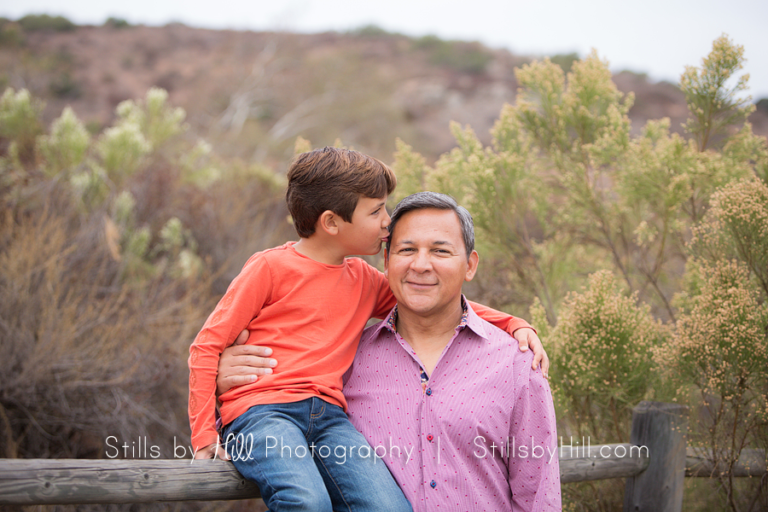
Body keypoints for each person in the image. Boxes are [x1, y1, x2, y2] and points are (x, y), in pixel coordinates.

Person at [189, 148, 545, 512]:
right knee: (306, 501)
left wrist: (512, 322)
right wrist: (204, 434)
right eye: (376, 211)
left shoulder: (362, 279)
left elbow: (440, 302)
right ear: (331, 222)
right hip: (262, 414)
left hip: (328, 418)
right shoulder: (269, 268)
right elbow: (206, 346)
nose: (387, 222)